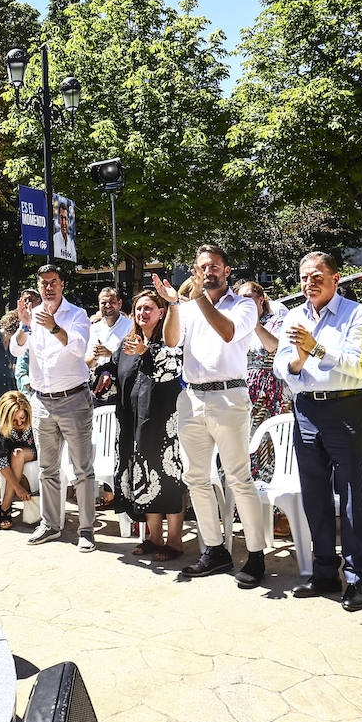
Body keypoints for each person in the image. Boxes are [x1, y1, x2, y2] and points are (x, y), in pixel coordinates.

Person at [153, 245, 266, 586]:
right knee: (196, 478)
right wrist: (174, 304)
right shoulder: (187, 307)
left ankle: (256, 555)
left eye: (215, 267)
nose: (209, 272)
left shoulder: (244, 304)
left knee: (238, 479)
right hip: (192, 398)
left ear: (227, 271)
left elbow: (229, 332)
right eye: (203, 267)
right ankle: (215, 550)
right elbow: (171, 341)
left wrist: (199, 298)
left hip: (229, 397)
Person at [272, 251, 362, 610]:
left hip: (346, 407)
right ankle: (323, 572)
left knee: (350, 498)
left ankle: (357, 578)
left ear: (336, 278)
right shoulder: (294, 315)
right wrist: (298, 359)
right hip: (306, 410)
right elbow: (280, 366)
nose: (309, 283)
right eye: (303, 277)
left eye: (317, 276)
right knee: (314, 497)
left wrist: (315, 348)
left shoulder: (357, 314)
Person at [10, 265, 96, 550]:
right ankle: (50, 525)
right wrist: (24, 325)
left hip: (74, 400)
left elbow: (79, 348)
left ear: (62, 285)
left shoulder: (77, 315)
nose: (48, 287)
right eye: (43, 283)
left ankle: (86, 529)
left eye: (53, 282)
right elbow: (16, 349)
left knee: (82, 469)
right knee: (48, 469)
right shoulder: (32, 316)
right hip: (42, 402)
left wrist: (54, 327)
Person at [115, 288, 186, 561]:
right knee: (145, 479)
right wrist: (104, 372)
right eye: (138, 309)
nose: (142, 313)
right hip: (135, 424)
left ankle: (175, 540)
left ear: (161, 312)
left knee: (167, 480)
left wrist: (146, 351)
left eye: (148, 308)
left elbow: (170, 368)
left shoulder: (170, 340)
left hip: (163, 424)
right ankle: (154, 537)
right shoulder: (129, 342)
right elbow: (117, 369)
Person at [237, 280, 288, 483]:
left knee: (266, 446)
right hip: (240, 393)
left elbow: (274, 347)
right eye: (240, 299)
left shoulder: (275, 321)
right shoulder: (235, 325)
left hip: (268, 393)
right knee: (240, 448)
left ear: (261, 300)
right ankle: (239, 508)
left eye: (248, 297)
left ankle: (272, 509)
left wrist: (255, 325)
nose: (244, 302)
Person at [0, 390, 36, 529]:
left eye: (22, 419)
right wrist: (18, 488)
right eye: (14, 420)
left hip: (31, 451)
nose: (19, 423)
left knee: (17, 454)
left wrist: (18, 489)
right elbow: (0, 459)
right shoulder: (1, 426)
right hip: (9, 453)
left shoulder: (35, 419)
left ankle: (6, 506)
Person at [86, 287, 132, 410]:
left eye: (112, 302)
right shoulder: (93, 329)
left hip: (121, 387)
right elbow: (86, 364)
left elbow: (132, 361)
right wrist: (95, 357)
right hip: (96, 388)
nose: (108, 305)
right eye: (103, 303)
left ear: (120, 304)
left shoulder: (130, 326)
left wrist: (110, 354)